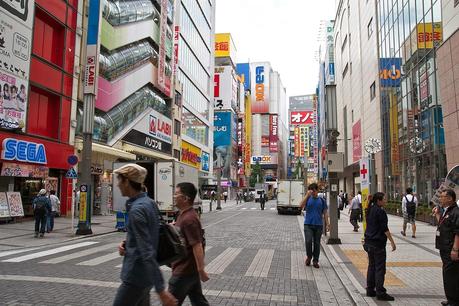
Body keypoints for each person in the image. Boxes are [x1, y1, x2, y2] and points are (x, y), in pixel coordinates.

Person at [113, 164, 176, 306]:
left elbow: (146, 251)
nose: (118, 185)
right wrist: (128, 244)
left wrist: (161, 291)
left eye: (119, 180)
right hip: (145, 279)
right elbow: (150, 235)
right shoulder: (150, 203)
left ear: (127, 182)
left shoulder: (137, 210)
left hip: (135, 277)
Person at [169, 182, 209, 306]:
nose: (174, 196)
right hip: (190, 271)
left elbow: (197, 246)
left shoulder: (189, 219)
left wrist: (201, 270)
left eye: (176, 194)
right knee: (199, 302)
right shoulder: (183, 215)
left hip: (183, 272)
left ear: (185, 198)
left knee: (170, 303)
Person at [364, 192, 396, 301]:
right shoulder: (380, 212)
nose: (385, 201)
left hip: (368, 242)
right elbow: (384, 229)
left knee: (371, 266)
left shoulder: (370, 209)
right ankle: (380, 292)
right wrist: (392, 241)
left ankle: (370, 290)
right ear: (379, 200)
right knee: (379, 268)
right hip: (377, 244)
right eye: (384, 199)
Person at [432, 189, 459, 306]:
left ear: (450, 198)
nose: (440, 198)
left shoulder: (455, 212)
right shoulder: (446, 211)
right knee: (448, 274)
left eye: (442, 197)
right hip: (444, 247)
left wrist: (455, 249)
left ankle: (454, 301)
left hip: (450, 248)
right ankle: (451, 298)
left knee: (451, 275)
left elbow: (457, 232)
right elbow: (442, 225)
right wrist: (438, 214)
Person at [299, 183, 330, 268]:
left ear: (317, 190)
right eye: (310, 190)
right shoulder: (308, 199)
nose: (312, 192)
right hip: (308, 224)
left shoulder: (321, 200)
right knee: (308, 241)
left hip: (318, 225)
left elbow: (325, 213)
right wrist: (306, 195)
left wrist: (327, 224)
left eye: (314, 190)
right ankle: (309, 256)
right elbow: (300, 205)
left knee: (317, 243)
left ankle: (315, 260)